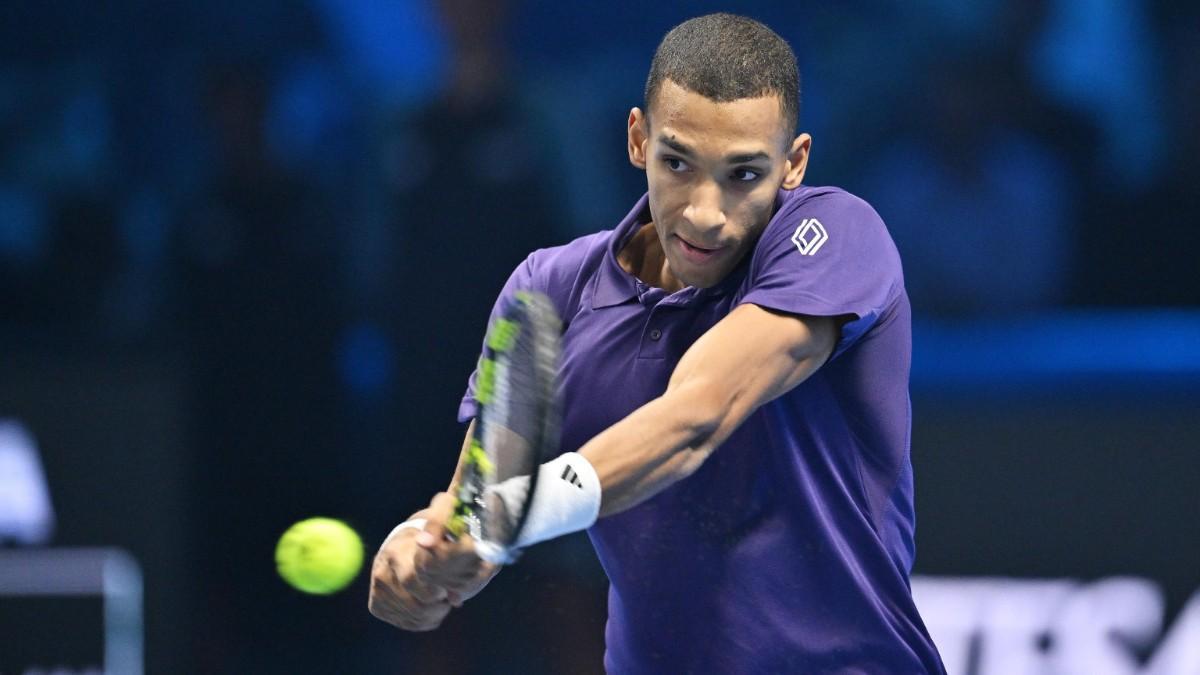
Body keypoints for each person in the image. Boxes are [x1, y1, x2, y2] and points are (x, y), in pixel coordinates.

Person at [370, 13, 946, 673]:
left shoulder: (838, 236)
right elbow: (481, 504)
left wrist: (500, 515)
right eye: (679, 162)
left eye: (743, 174)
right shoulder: (547, 289)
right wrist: (424, 555)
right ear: (638, 139)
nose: (705, 211)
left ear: (794, 164)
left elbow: (696, 417)